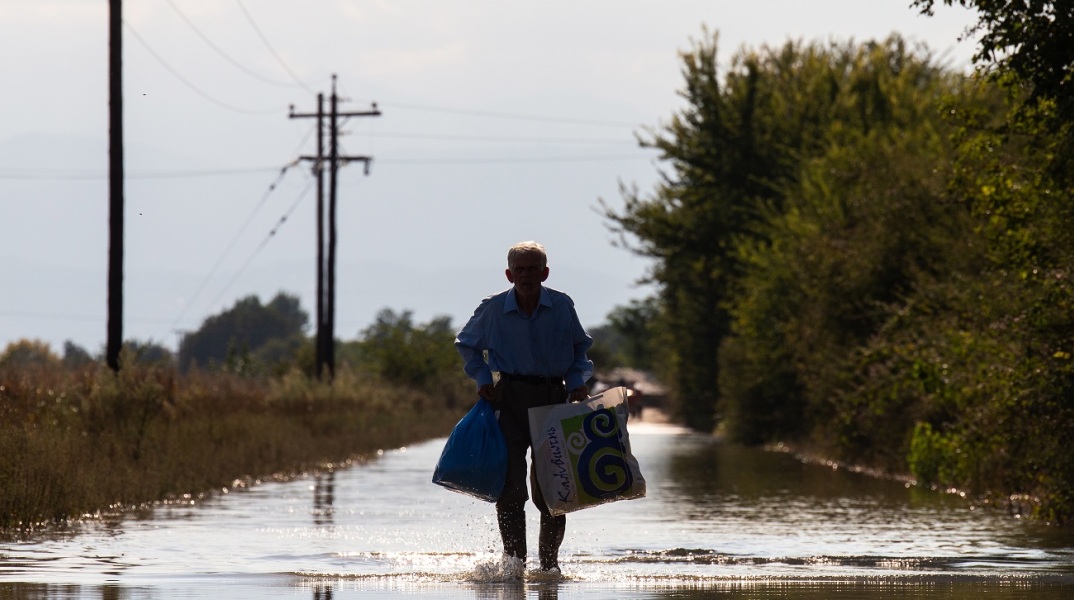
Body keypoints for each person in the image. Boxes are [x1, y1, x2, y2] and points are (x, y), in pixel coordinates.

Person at [454, 240, 594, 573]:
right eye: (520, 269)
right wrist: (482, 378)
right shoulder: (492, 309)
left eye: (533, 269)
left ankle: (549, 568)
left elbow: (580, 352)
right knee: (511, 490)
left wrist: (577, 383)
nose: (527, 275)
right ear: (509, 274)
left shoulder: (561, 306)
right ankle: (514, 565)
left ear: (545, 273)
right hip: (509, 399)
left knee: (553, 493)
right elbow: (467, 346)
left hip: (553, 401)